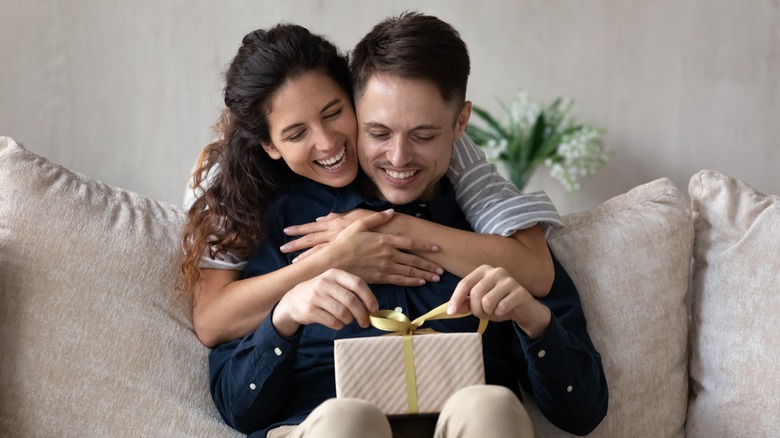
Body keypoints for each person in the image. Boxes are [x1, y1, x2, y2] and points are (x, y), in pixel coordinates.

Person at [208, 12, 608, 438]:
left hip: (470, 423)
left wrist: (535, 322)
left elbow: (583, 412)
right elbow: (238, 408)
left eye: (423, 136)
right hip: (323, 423)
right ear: (358, 114)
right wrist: (284, 316)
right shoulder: (285, 217)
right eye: (378, 132)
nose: (398, 159)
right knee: (348, 420)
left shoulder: (497, 234)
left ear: (460, 123)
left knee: (490, 407)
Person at [180, 24, 562, 348]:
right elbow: (213, 321)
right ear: (269, 145)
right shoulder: (226, 183)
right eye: (296, 133)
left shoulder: (440, 148)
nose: (328, 143)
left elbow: (535, 270)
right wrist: (334, 259)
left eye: (334, 113)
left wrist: (386, 227)